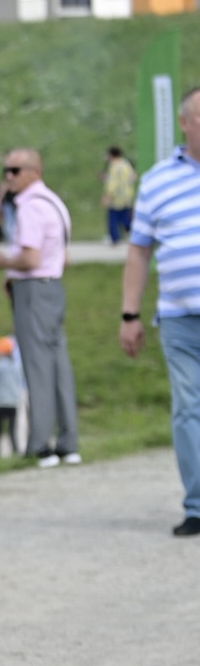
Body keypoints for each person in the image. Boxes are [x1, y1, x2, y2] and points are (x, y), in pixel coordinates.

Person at [121, 87, 200, 536]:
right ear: (185, 123)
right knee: (188, 408)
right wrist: (129, 315)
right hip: (179, 317)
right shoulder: (156, 181)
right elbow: (139, 252)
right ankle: (198, 505)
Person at [0, 149, 80, 466]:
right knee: (58, 364)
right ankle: (68, 441)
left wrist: (2, 263)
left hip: (33, 291)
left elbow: (30, 258)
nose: (8, 177)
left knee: (36, 365)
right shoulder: (55, 202)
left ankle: (40, 443)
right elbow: (62, 256)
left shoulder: (29, 207)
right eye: (6, 170)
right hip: (54, 286)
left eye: (15, 170)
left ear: (34, 171)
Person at [0, 336, 25, 458]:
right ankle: (15, 452)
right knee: (12, 431)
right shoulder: (16, 366)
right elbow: (19, 384)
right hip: (13, 403)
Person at [103, 146, 139, 244]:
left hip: (116, 197)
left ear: (111, 155)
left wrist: (108, 195)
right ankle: (133, 235)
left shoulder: (114, 166)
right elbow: (133, 176)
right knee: (126, 217)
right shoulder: (126, 164)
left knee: (113, 218)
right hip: (127, 195)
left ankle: (115, 238)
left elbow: (113, 182)